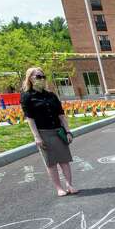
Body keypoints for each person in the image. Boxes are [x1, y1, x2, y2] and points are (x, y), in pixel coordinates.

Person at [21, 67, 77, 197]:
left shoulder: (51, 95)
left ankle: (69, 185)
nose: (41, 79)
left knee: (64, 160)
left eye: (43, 76)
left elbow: (61, 115)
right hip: (44, 133)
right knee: (51, 163)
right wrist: (37, 137)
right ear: (30, 78)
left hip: (58, 132)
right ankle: (59, 188)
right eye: (38, 77)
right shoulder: (27, 96)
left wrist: (68, 131)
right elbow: (30, 119)